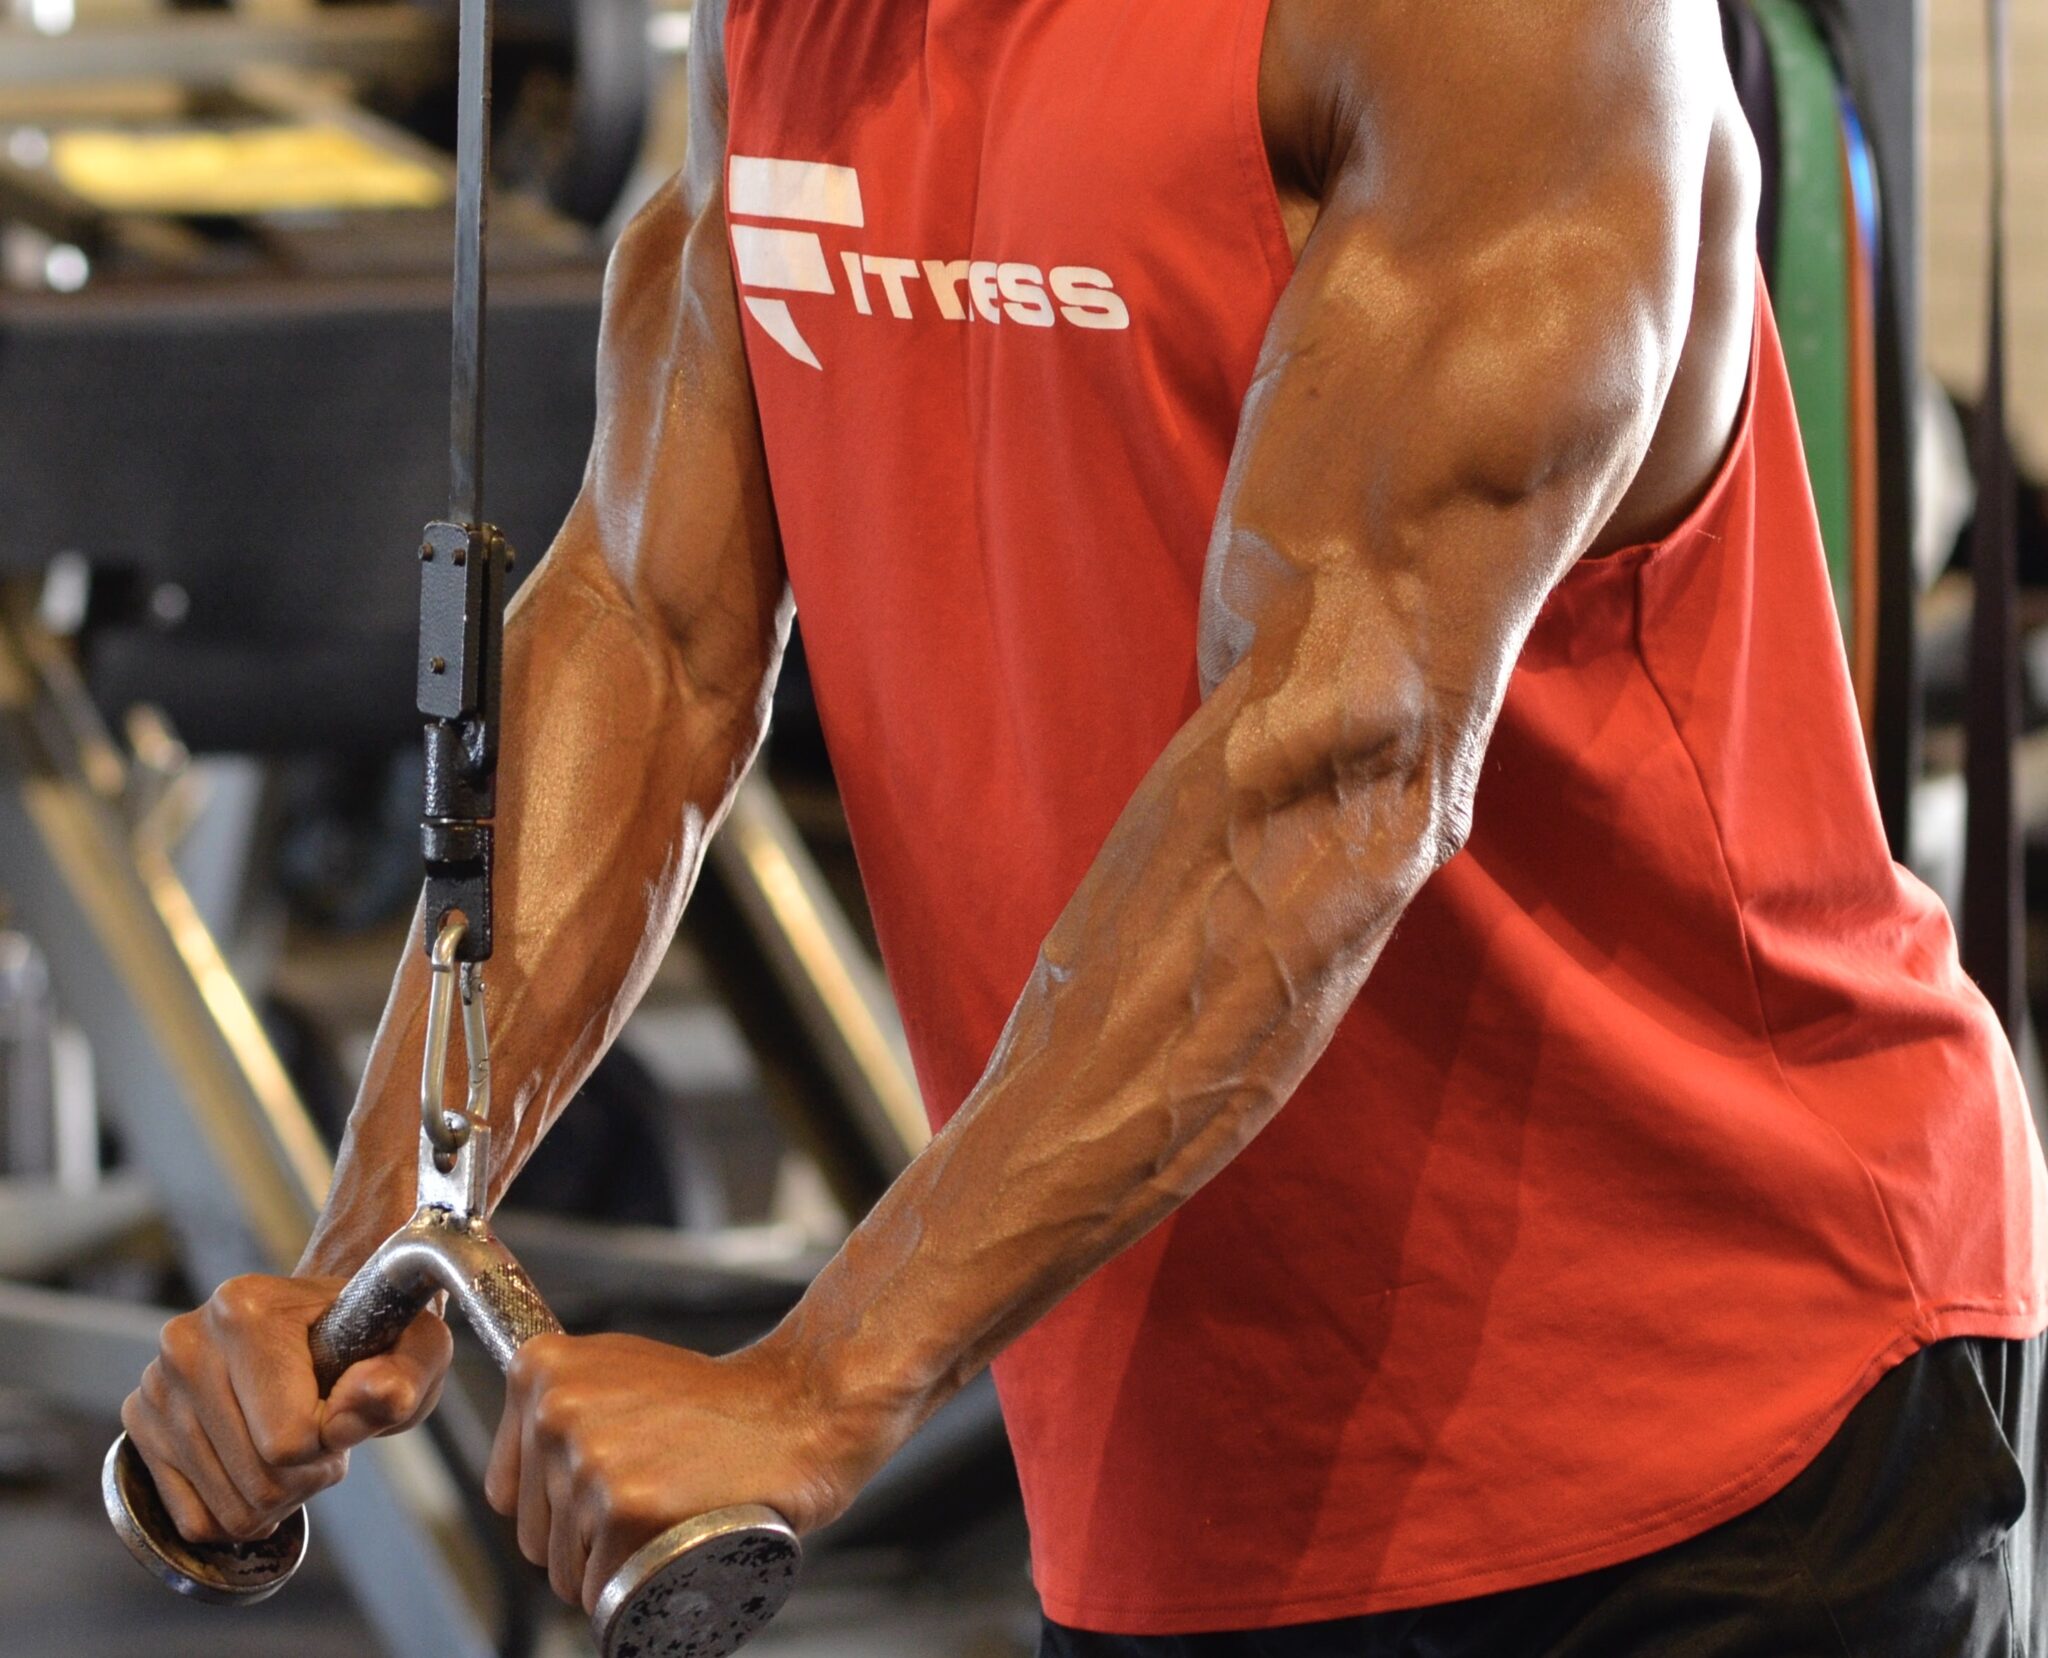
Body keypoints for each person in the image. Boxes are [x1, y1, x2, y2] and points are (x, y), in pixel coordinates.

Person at [121, 2, 2048, 1652]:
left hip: (1714, 1447)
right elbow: (651, 614)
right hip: (1177, 1477)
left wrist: (820, 1378)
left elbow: (1335, 758)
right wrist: (367, 1247)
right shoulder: (807, 26)